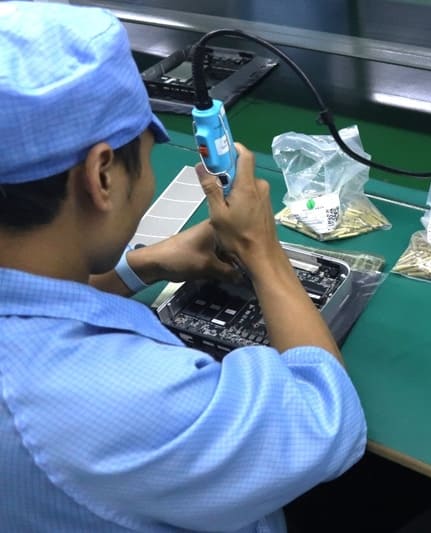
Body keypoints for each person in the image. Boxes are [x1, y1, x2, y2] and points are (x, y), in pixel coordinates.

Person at [0, 2, 366, 532]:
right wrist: (263, 252)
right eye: (149, 153)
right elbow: (324, 422)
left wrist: (140, 266)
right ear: (102, 176)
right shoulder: (116, 399)